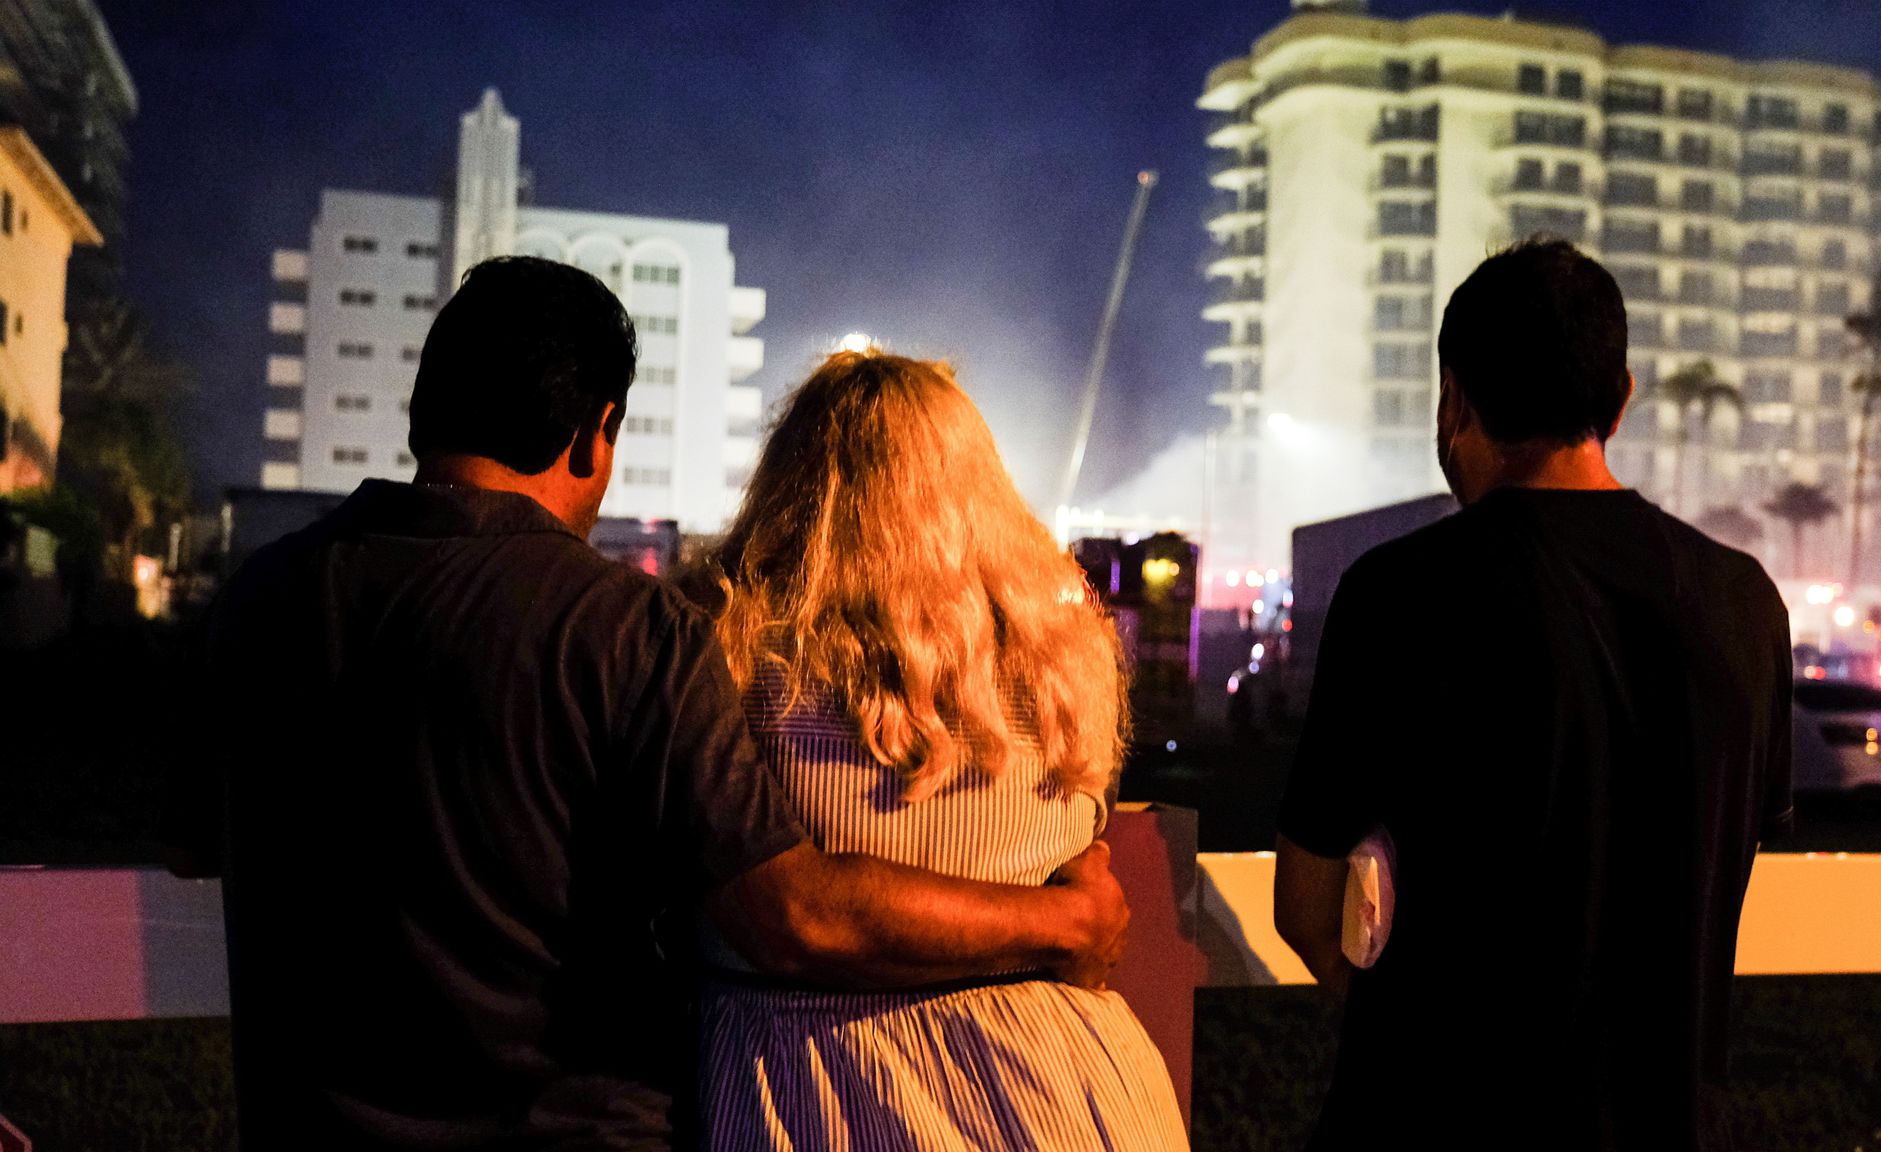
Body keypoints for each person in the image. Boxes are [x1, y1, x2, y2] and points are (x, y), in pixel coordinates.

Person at [203, 257, 1128, 1150]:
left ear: (421, 414)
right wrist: (1068, 922)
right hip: (578, 1131)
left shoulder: (260, 597)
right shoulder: (625, 629)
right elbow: (793, 913)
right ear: (592, 434)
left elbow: (188, 839)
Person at [1272, 238, 1793, 1151]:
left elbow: (1304, 909)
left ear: (1454, 399)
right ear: (1621, 400)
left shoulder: (1401, 591)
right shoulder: (1745, 601)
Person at [693, 350, 1188, 1151]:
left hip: (819, 1091)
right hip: (1076, 1089)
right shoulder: (1067, 662)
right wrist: (1061, 918)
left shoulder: (734, 659)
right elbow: (1087, 853)